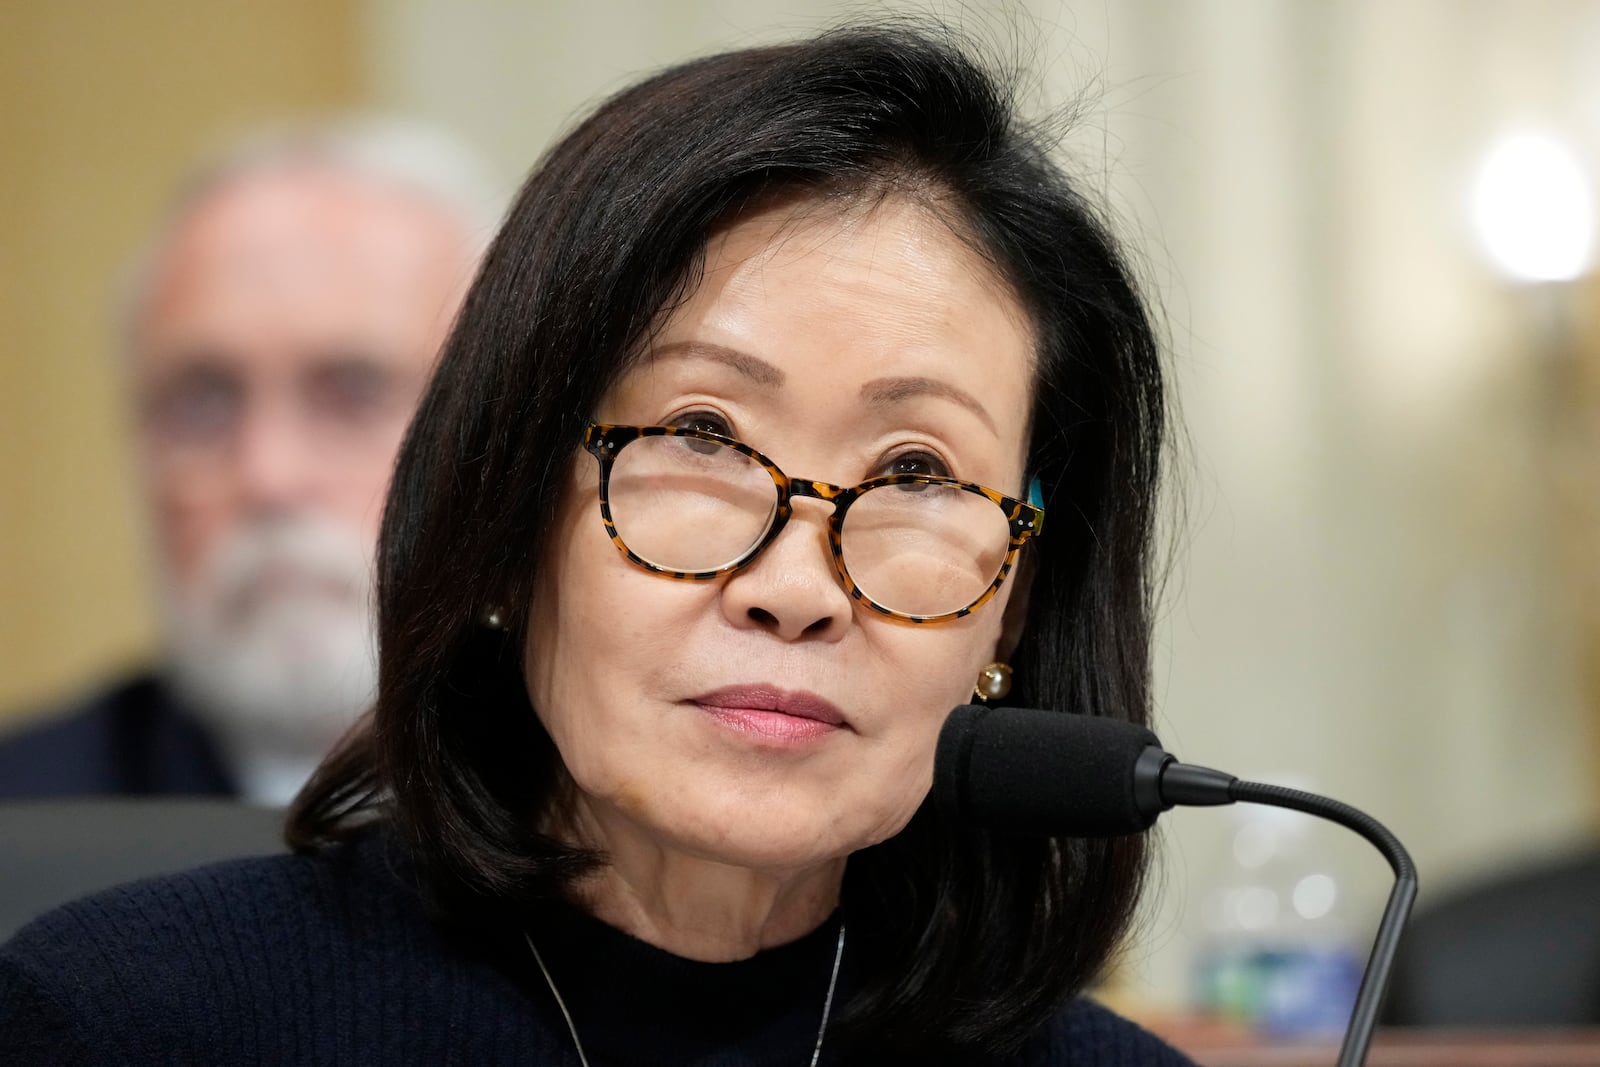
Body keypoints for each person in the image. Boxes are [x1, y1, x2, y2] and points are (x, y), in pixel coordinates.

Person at [0, 25, 1192, 1064]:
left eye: (916, 471)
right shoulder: (125, 1019)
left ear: (1016, 601)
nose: (794, 586)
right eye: (701, 434)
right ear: (506, 520)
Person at [0, 121, 501, 804]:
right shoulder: (26, 818)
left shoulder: (630, 820)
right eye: (203, 404)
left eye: (354, 393)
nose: (269, 475)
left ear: (501, 433)